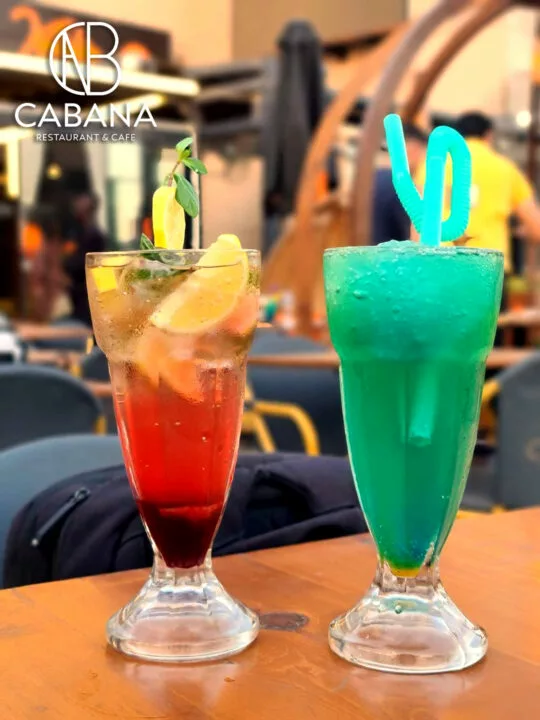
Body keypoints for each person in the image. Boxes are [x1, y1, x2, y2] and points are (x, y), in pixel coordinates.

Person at [420, 112, 540, 274]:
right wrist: (518, 231)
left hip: (439, 263)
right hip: (489, 268)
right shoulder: (506, 168)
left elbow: (419, 220)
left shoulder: (432, 165)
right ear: (489, 135)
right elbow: (536, 227)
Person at [372, 123, 427, 244]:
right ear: (414, 149)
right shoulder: (402, 187)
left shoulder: (372, 178)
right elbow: (415, 238)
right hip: (388, 254)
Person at [64, 193, 108, 326]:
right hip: (80, 299)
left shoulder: (94, 235)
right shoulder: (79, 232)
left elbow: (86, 265)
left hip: (86, 300)